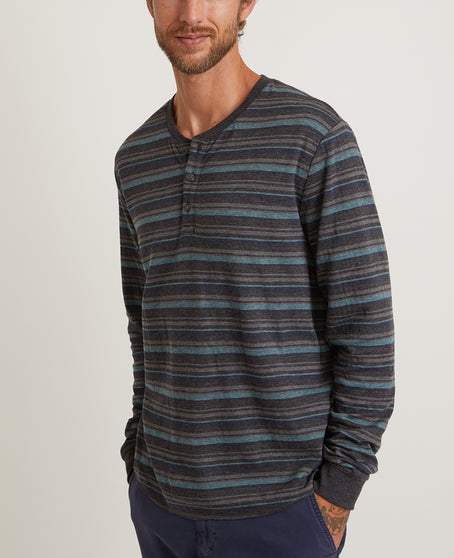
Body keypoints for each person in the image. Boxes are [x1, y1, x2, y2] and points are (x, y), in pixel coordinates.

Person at [114, 1, 395, 556]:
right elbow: (144, 324)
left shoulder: (313, 137)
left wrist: (335, 497)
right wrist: (136, 455)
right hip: (160, 504)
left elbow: (366, 332)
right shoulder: (135, 158)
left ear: (246, 3)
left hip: (284, 512)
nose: (191, 12)